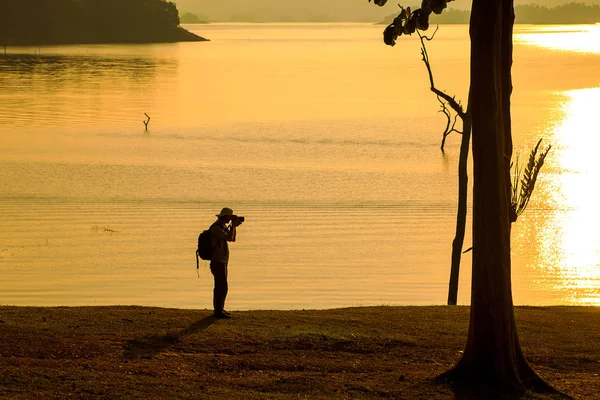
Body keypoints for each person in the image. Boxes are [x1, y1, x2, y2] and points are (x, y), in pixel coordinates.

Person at [210, 207, 243, 319]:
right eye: (230, 217)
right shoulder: (216, 228)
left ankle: (220, 309)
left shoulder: (222, 226)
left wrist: (234, 227)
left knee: (222, 286)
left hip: (222, 261)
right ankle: (218, 311)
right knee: (221, 286)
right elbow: (229, 238)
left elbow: (232, 238)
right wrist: (233, 226)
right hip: (217, 261)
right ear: (226, 217)